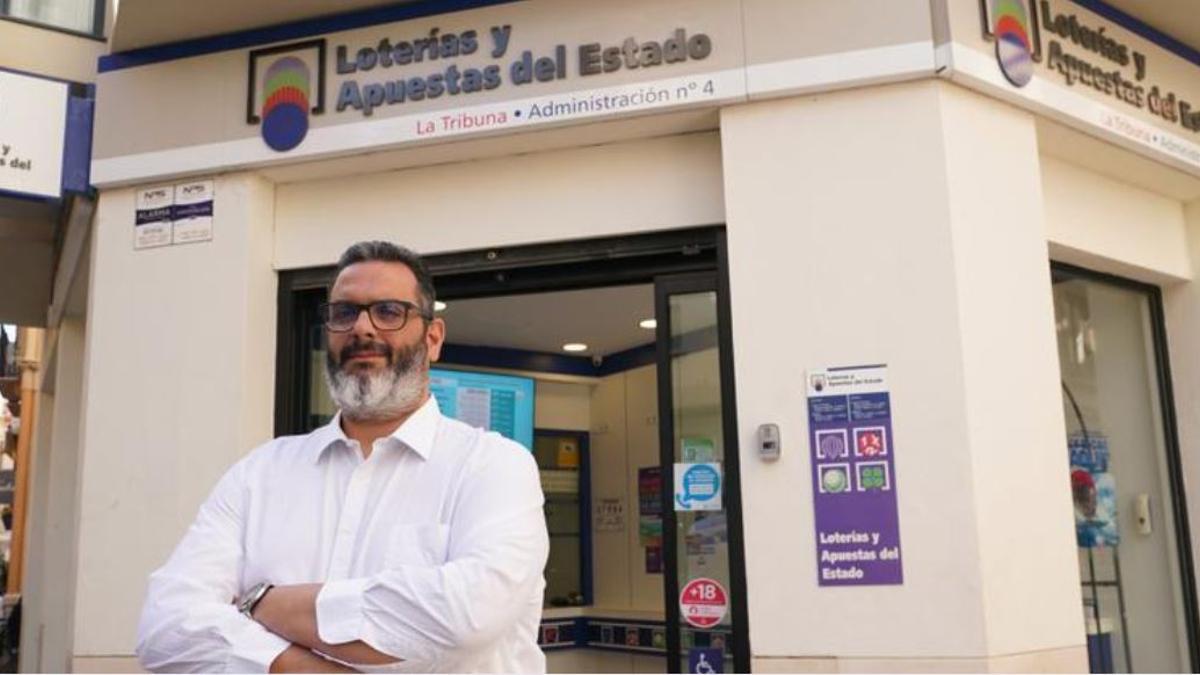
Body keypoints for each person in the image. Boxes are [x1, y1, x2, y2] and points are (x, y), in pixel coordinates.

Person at [136, 241, 549, 673]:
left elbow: (468, 615)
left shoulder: (494, 466)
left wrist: (260, 603)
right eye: (344, 312)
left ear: (432, 338)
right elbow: (166, 626)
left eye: (388, 311)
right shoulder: (260, 473)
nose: (362, 328)